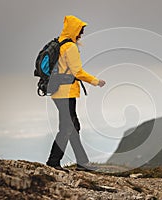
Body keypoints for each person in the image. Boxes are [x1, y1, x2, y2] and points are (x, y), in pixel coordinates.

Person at [46, 15, 106, 172]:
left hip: (58, 91)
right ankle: (53, 161)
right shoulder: (70, 47)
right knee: (67, 127)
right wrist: (95, 81)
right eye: (81, 30)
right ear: (74, 30)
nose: (82, 34)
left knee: (73, 126)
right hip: (66, 92)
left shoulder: (59, 43)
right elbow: (77, 71)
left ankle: (82, 162)